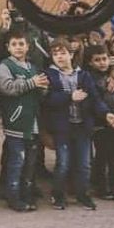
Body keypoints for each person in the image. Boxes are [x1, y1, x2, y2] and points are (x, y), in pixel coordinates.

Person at [43, 39, 103, 211]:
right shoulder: (49, 74)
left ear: (71, 54)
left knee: (84, 164)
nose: (59, 57)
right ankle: (58, 194)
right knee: (63, 163)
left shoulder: (83, 75)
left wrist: (107, 114)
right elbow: (48, 99)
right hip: (62, 128)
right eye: (55, 54)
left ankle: (83, 195)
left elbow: (95, 98)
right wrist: (70, 96)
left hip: (82, 127)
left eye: (63, 53)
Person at [0, 29, 48, 212]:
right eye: (14, 44)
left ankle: (27, 195)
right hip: (15, 122)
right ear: (8, 47)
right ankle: (13, 197)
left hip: (32, 122)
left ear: (28, 47)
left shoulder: (32, 67)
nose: (18, 47)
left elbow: (39, 92)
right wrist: (32, 83)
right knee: (16, 162)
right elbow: (7, 87)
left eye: (21, 44)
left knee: (30, 163)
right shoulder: (5, 66)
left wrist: (43, 88)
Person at [86, 45, 114, 202]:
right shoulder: (89, 78)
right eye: (97, 60)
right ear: (90, 63)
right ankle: (101, 187)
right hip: (101, 124)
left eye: (104, 59)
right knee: (102, 156)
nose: (102, 63)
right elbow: (94, 101)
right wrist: (107, 116)